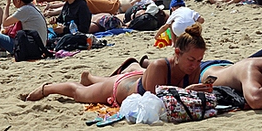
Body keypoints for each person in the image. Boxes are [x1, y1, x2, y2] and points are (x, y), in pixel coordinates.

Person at [25, 24, 208, 106]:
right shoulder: (159, 67)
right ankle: (47, 88)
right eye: (191, 60)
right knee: (79, 93)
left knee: (100, 82)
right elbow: (155, 104)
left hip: (135, 79)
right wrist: (190, 92)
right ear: (177, 53)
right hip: (119, 88)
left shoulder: (194, 68)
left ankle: (90, 78)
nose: (195, 65)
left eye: (199, 60)